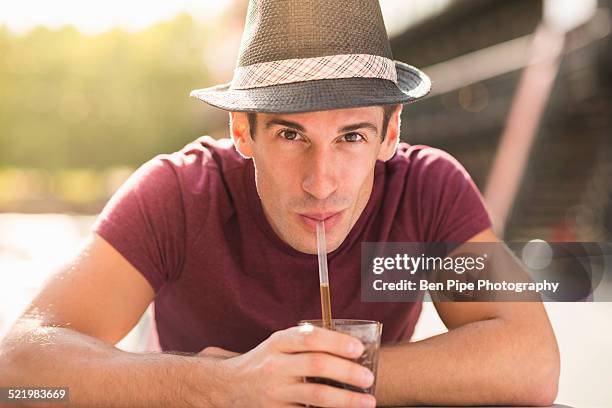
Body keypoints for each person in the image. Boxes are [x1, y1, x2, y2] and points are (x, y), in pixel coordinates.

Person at [0, 0, 560, 407]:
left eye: (352, 137)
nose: (321, 182)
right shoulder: (179, 194)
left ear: (391, 133)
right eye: (291, 136)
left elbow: (532, 362)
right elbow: (17, 376)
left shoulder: (426, 189)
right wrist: (225, 385)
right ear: (243, 132)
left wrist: (320, 373)